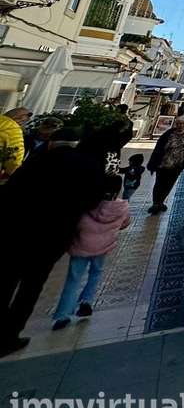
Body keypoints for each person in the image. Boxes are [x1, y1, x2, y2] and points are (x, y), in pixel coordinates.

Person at [0, 119, 132, 356]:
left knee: (7, 280)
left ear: (52, 143)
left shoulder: (38, 160)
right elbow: (93, 200)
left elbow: (11, 191)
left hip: (17, 231)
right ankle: (9, 336)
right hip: (54, 234)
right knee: (31, 287)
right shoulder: (88, 166)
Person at [51, 173, 131, 330]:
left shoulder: (87, 203)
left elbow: (75, 222)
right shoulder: (121, 207)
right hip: (103, 247)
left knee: (73, 279)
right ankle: (86, 301)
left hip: (81, 246)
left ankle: (63, 315)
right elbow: (125, 223)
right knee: (96, 273)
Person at [147, 116, 184, 214]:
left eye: (183, 123)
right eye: (178, 123)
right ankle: (156, 203)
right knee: (159, 184)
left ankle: (161, 201)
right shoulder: (168, 134)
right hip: (164, 164)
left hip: (177, 166)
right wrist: (154, 163)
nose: (180, 125)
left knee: (168, 185)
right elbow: (159, 148)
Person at [0, 106, 30, 180]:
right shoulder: (13, 129)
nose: (23, 124)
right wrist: (7, 175)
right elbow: (15, 160)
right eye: (24, 121)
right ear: (19, 117)